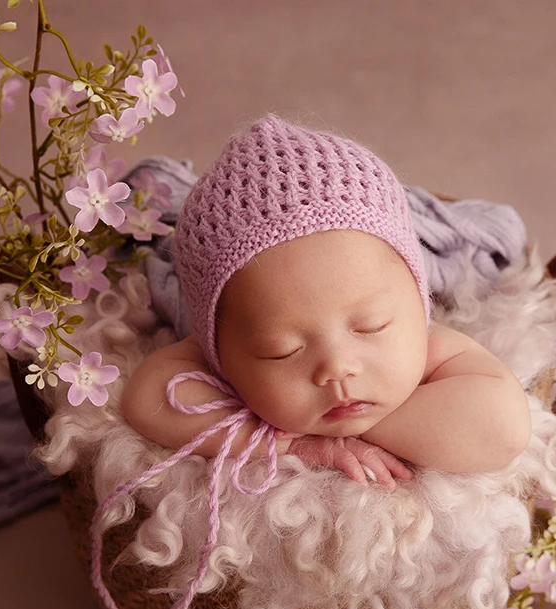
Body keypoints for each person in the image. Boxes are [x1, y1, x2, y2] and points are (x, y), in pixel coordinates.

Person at [122, 114, 532, 488]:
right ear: (219, 355)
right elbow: (146, 400)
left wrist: (357, 429)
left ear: (417, 297)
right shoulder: (215, 346)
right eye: (281, 350)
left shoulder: (429, 346)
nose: (337, 368)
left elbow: (504, 426)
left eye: (371, 326)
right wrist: (300, 446)